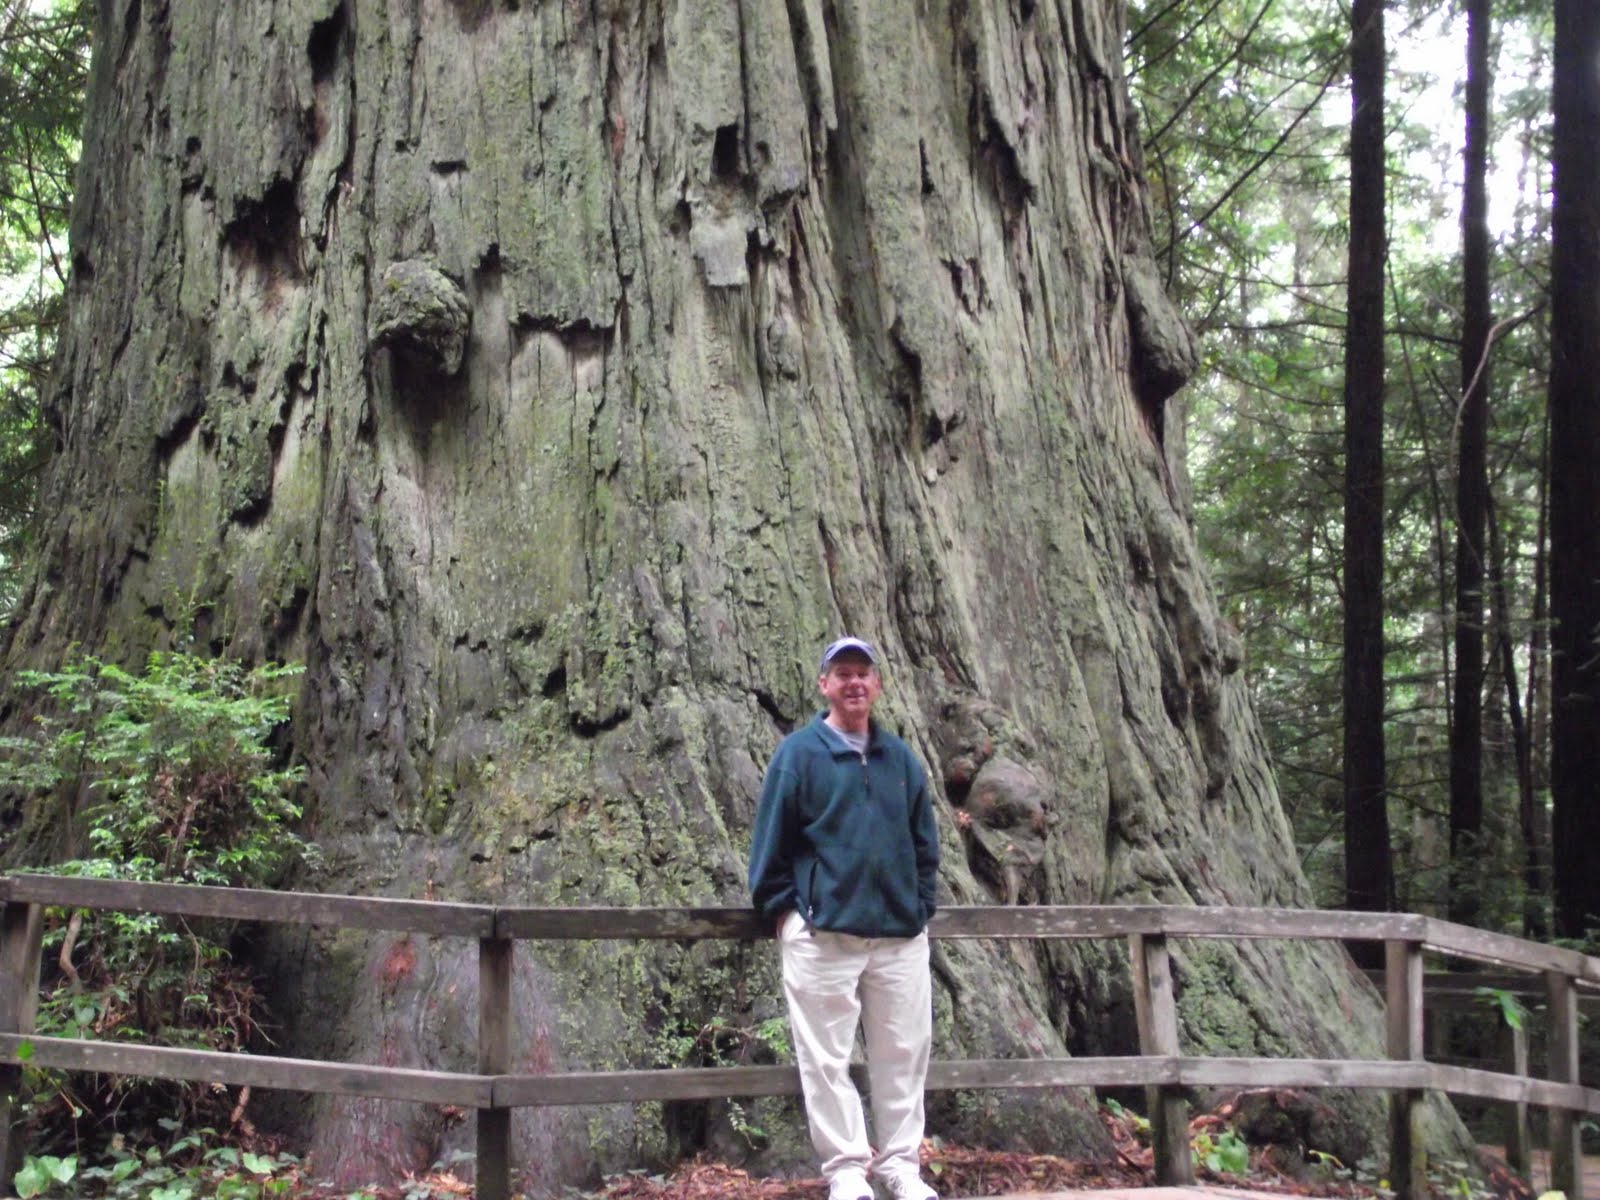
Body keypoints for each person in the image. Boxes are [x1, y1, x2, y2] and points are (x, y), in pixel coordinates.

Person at [747, 636, 941, 1200]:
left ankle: (902, 1166)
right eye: (843, 673)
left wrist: (919, 905)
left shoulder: (900, 759)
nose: (854, 682)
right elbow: (770, 845)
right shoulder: (798, 755)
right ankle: (848, 1171)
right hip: (823, 933)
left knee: (903, 1054)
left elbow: (925, 845)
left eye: (864, 673)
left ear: (877, 685)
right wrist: (787, 914)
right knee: (826, 1059)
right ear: (824, 684)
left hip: (899, 936)